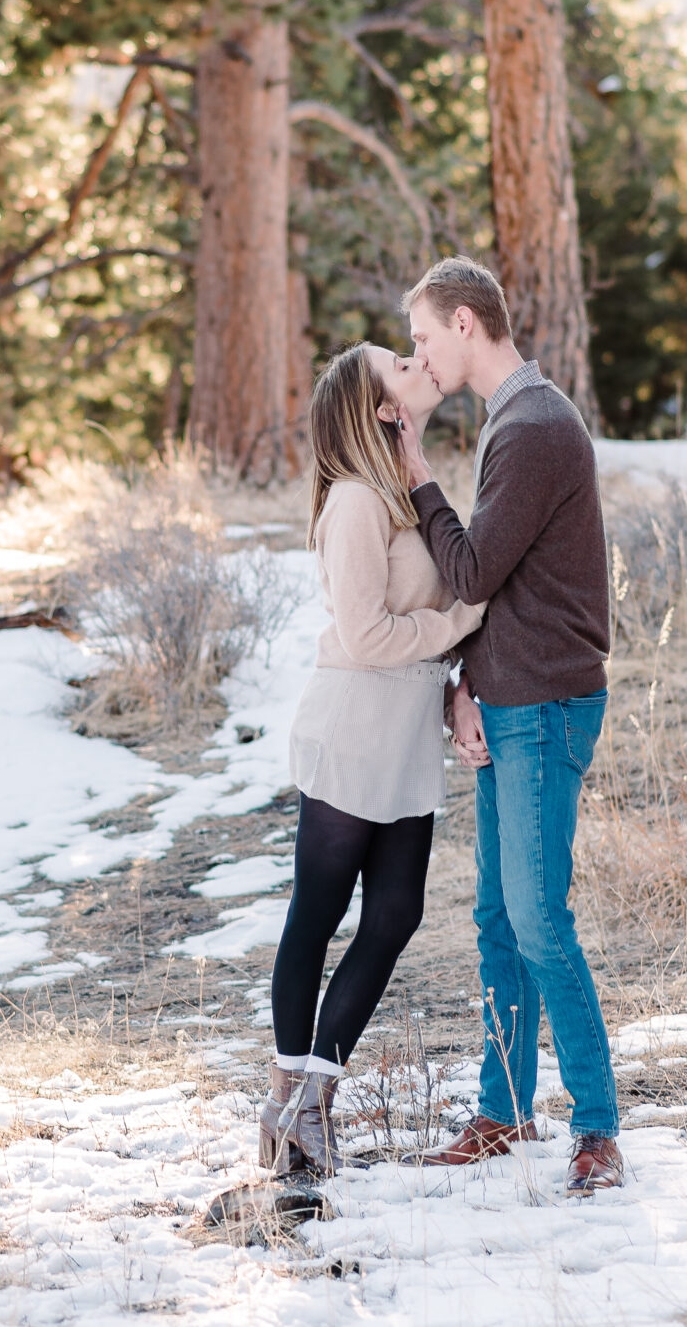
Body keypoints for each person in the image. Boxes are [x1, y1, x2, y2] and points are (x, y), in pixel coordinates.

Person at [393, 255, 625, 1196]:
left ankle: (598, 1127)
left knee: (538, 920)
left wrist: (416, 474)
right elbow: (507, 592)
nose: (419, 358)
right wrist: (462, 684)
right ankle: (504, 1109)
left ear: (463, 324)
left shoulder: (533, 427)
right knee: (497, 917)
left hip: (548, 708)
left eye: (420, 338)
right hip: (508, 703)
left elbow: (475, 571)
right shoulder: (513, 422)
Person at [259, 343, 486, 1179]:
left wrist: (455, 676)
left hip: (404, 730)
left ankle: (308, 1099)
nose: (417, 359)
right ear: (383, 406)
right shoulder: (355, 500)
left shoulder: (408, 489)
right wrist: (463, 620)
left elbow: (432, 610)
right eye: (400, 360)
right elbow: (366, 635)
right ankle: (295, 1105)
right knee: (316, 914)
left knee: (394, 915)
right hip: (354, 723)